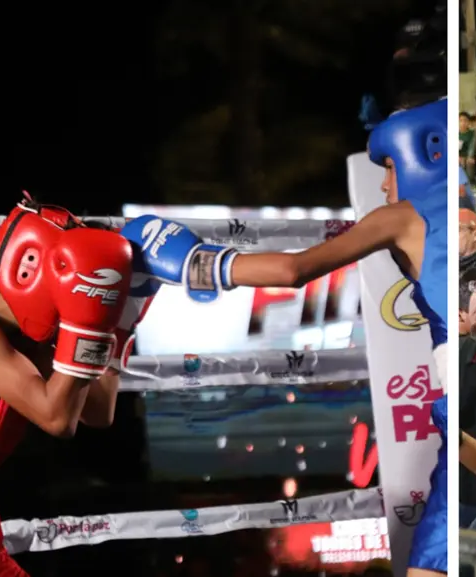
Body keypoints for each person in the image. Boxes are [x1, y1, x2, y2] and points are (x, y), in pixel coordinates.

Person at [121, 98, 449, 576]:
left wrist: (196, 264)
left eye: (390, 167)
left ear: (428, 150)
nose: (383, 182)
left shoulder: (402, 215)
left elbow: (294, 269)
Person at [0, 200, 141, 576]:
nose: (80, 289)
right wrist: (85, 323)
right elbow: (57, 419)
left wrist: (119, 321)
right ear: (28, 270)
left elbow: (97, 412)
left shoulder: (29, 339)